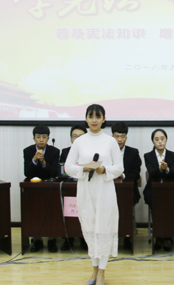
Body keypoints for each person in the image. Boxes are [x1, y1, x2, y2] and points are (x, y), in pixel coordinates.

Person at [64, 104, 124, 285]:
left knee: (104, 230)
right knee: (90, 229)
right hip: (86, 191)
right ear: (86, 119)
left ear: (104, 119)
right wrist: (84, 169)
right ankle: (94, 269)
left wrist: (104, 169)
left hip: (104, 191)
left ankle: (102, 272)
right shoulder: (79, 141)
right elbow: (68, 167)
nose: (94, 120)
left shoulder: (110, 141)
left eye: (98, 117)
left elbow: (119, 168)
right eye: (91, 117)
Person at [23, 125, 60, 253]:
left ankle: (51, 239)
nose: (41, 140)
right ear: (34, 138)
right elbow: (27, 173)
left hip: (50, 188)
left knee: (51, 213)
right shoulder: (28, 151)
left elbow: (55, 172)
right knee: (35, 214)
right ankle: (37, 240)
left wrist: (44, 162)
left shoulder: (54, 151)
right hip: (34, 189)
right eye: (38, 137)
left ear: (48, 138)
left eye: (44, 137)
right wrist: (34, 160)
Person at [144, 128, 174, 251]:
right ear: (153, 141)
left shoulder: (172, 155)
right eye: (156, 139)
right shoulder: (148, 156)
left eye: (162, 139)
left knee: (169, 205)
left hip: (169, 191)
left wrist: (167, 169)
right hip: (152, 191)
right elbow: (152, 173)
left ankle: (167, 236)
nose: (160, 142)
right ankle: (158, 236)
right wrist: (159, 168)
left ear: (166, 140)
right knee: (156, 205)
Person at [112, 121, 141, 251]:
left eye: (122, 136)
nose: (119, 139)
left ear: (126, 138)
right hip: (110, 191)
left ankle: (127, 237)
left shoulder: (133, 153)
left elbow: (135, 174)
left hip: (129, 193)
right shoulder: (106, 152)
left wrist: (122, 175)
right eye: (117, 136)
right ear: (112, 137)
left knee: (125, 206)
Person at [60, 124, 88, 251]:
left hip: (86, 186)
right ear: (71, 138)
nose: (77, 139)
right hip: (70, 187)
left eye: (80, 136)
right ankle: (68, 238)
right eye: (74, 136)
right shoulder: (66, 152)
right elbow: (62, 171)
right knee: (69, 213)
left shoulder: (91, 152)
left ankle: (84, 239)